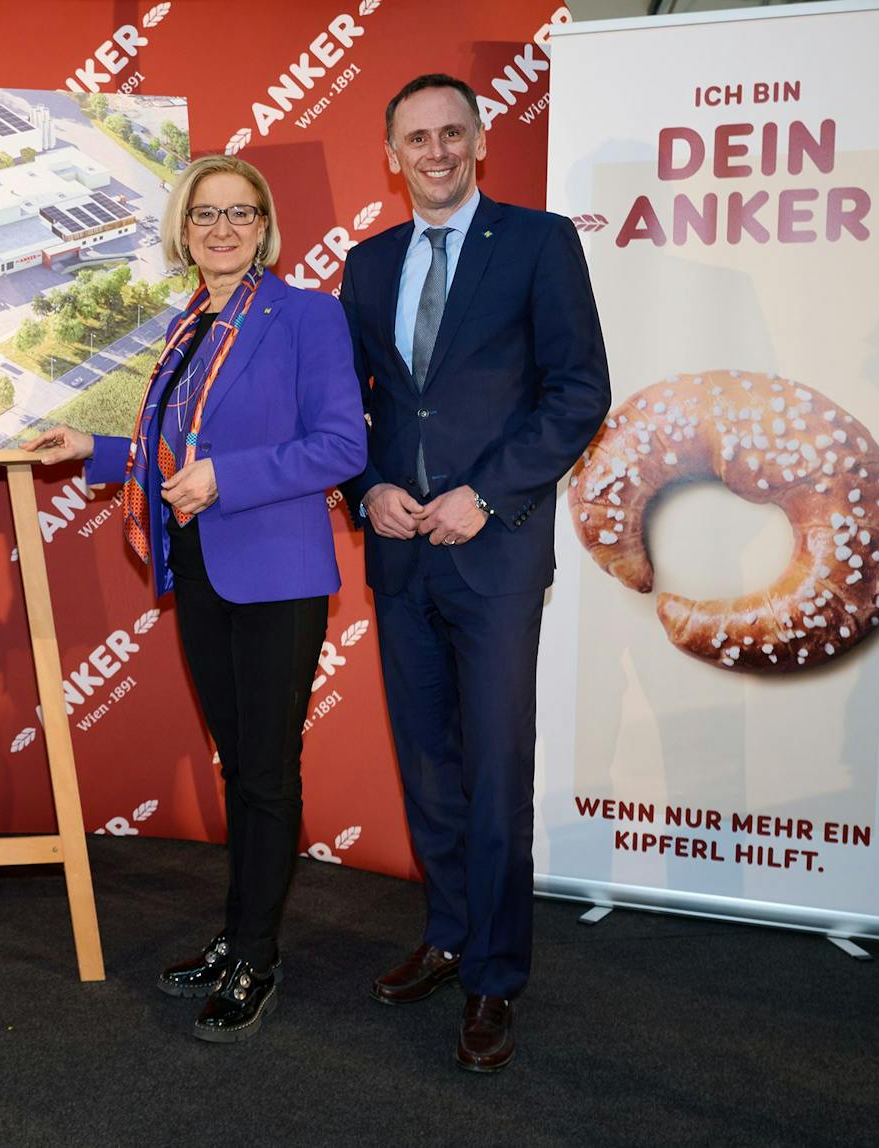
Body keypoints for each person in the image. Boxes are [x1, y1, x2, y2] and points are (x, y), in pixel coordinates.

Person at [27, 155, 366, 1042]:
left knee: (265, 769)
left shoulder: (307, 316)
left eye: (241, 214)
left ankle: (257, 953)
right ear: (183, 229)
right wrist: (91, 452)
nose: (222, 229)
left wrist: (229, 477)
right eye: (205, 214)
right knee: (239, 765)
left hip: (277, 572)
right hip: (201, 567)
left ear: (266, 226)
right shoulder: (188, 325)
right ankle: (235, 936)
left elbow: (341, 447)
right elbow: (171, 452)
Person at [339, 74, 610, 1072]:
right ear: (391, 154)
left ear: (480, 139)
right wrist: (365, 487)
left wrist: (484, 494)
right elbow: (358, 409)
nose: (437, 149)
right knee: (428, 764)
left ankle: (493, 975)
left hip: (491, 550)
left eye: (452, 131)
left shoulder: (537, 243)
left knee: (493, 767)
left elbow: (578, 388)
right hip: (398, 551)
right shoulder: (365, 267)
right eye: (417, 137)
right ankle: (448, 933)